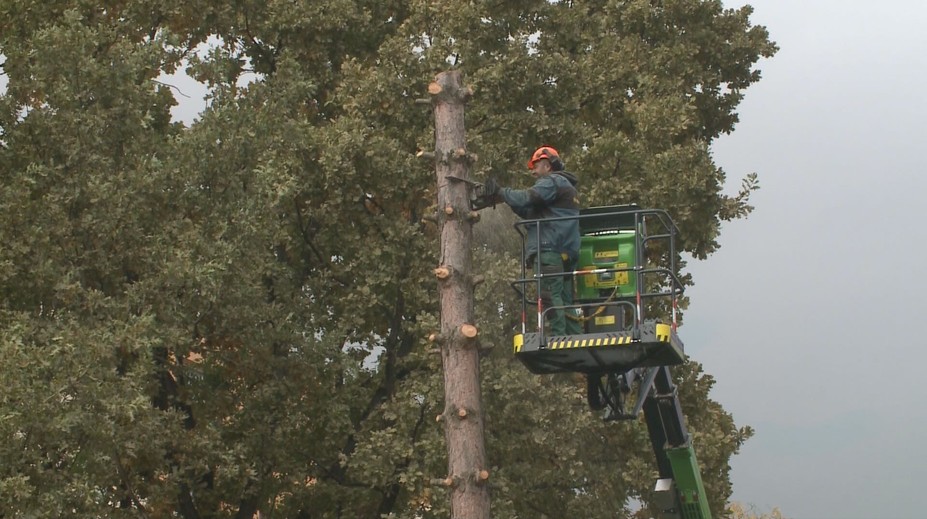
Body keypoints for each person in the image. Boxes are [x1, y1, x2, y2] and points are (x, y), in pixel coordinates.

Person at [485, 146, 583, 337]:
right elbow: (528, 210)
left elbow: (526, 198)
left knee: (549, 295)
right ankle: (574, 337)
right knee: (563, 297)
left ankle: (559, 337)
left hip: (549, 249)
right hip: (564, 250)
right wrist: (504, 198)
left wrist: (502, 191)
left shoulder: (551, 181)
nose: (533, 171)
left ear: (547, 166)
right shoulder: (565, 186)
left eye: (536, 166)